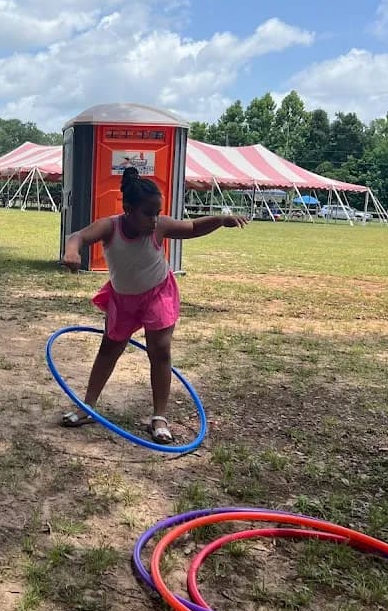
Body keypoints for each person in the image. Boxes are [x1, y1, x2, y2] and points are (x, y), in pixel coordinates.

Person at [60, 167, 247, 442]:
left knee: (159, 350)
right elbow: (78, 236)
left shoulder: (159, 227)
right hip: (123, 298)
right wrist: (72, 251)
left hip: (157, 294)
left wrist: (219, 220)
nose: (154, 219)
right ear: (127, 209)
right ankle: (87, 406)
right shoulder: (110, 226)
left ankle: (159, 417)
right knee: (109, 349)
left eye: (157, 213)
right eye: (147, 213)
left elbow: (192, 227)